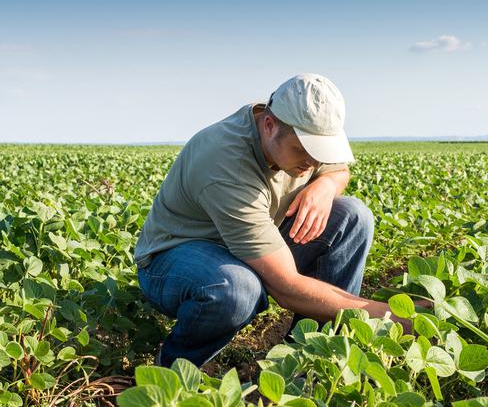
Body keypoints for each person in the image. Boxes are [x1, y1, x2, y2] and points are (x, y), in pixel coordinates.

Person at [135, 73, 417, 368]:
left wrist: (326, 186)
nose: (313, 163)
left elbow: (339, 169)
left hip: (250, 243)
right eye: (304, 150)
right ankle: (172, 369)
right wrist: (393, 319)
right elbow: (286, 286)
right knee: (237, 288)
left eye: (321, 152)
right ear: (269, 126)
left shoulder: (298, 135)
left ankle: (311, 358)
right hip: (177, 258)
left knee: (353, 216)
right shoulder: (224, 161)